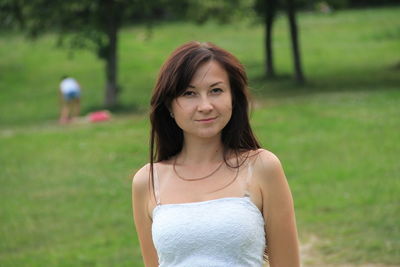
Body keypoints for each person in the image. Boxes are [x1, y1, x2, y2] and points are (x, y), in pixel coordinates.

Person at [132, 41, 300, 267]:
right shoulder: (147, 181)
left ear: (233, 98)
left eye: (216, 90)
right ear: (170, 106)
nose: (205, 105)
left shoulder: (262, 167)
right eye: (189, 93)